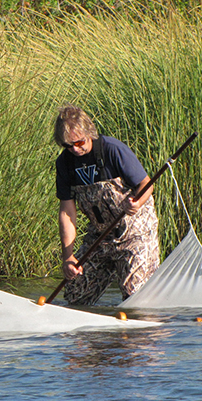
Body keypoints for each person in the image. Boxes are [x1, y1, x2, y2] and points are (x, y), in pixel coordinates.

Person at [54, 105, 159, 304]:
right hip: (101, 234)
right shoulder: (64, 163)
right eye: (68, 146)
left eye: (79, 142)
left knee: (135, 297)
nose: (75, 149)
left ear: (89, 132)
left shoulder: (112, 149)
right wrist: (68, 257)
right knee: (76, 295)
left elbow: (146, 184)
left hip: (135, 232)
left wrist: (136, 203)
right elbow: (67, 212)